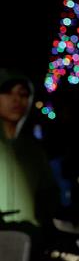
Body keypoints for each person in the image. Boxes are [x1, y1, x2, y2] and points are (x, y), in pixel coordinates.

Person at [0, 68, 59, 247]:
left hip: (28, 240)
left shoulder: (34, 149)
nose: (16, 99)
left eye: (23, 94)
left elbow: (49, 194)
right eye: (7, 92)